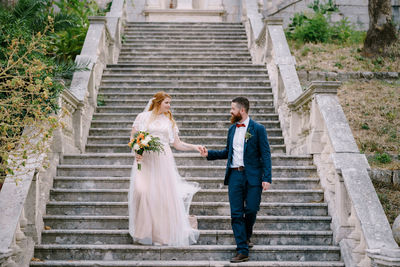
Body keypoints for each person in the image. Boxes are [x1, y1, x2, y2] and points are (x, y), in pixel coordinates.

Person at [200, 96, 272, 263]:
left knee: (252, 210)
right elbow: (227, 152)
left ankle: (245, 236)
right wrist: (209, 153)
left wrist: (267, 177)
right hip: (235, 176)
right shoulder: (232, 129)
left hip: (253, 176)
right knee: (236, 214)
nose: (230, 112)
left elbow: (266, 155)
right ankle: (242, 249)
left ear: (242, 110)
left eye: (232, 109)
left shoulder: (258, 129)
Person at [128, 91, 204, 246]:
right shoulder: (142, 117)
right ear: (158, 102)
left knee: (162, 195)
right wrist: (137, 151)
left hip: (163, 160)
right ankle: (144, 231)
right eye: (167, 103)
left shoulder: (169, 121)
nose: (169, 106)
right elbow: (133, 138)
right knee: (144, 194)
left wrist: (194, 147)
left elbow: (177, 144)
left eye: (170, 103)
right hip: (146, 160)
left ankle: (162, 235)